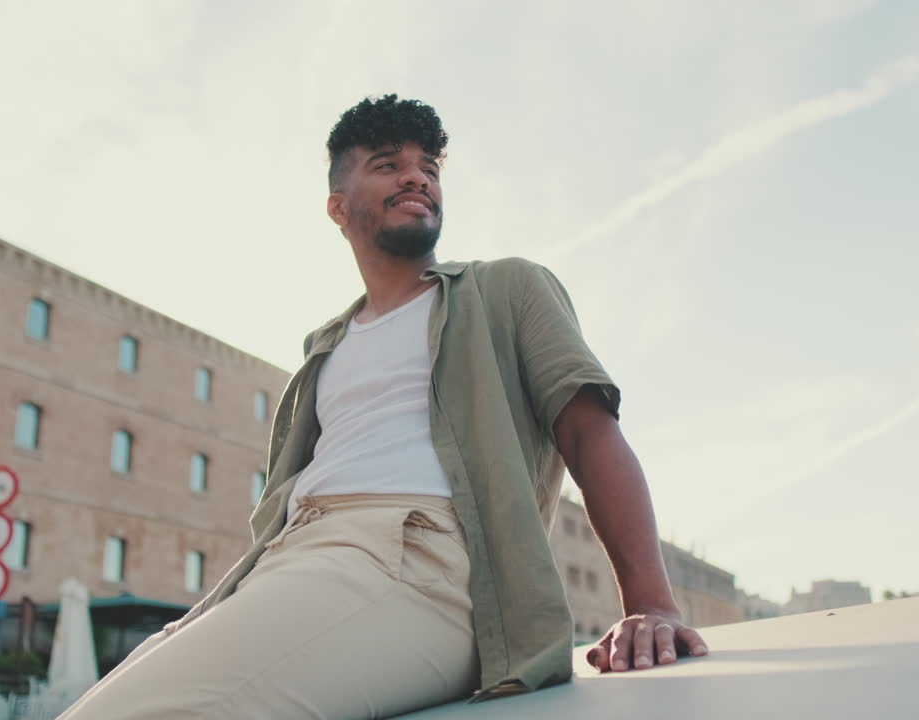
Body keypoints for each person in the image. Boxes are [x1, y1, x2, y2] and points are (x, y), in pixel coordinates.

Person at [59, 94, 707, 719]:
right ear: (338, 207)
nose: (417, 177)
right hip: (281, 563)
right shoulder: (324, 349)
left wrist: (651, 603)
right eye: (389, 164)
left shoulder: (505, 288)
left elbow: (590, 435)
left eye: (429, 167)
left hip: (419, 559)